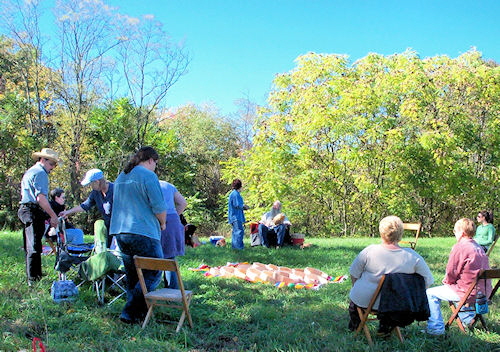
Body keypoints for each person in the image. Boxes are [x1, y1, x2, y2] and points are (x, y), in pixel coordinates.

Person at [109, 146, 166, 325]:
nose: (155, 167)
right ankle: (130, 311)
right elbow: (159, 206)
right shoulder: (148, 176)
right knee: (155, 270)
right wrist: (163, 223)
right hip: (143, 231)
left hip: (120, 231)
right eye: (155, 163)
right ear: (150, 160)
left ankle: (137, 314)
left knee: (134, 274)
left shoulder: (121, 177)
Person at [348, 215, 434, 332]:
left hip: (365, 300)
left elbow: (354, 274)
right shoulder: (413, 257)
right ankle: (386, 327)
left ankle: (355, 327)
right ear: (401, 233)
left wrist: (356, 287)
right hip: (397, 304)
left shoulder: (369, 251)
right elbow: (427, 280)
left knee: (354, 301)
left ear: (381, 232)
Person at [425, 218, 491, 336]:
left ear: (462, 232)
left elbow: (452, 271)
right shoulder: (479, 247)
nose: (454, 233)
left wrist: (447, 282)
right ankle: (467, 318)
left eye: (455, 231)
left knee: (430, 293)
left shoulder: (460, 247)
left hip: (468, 293)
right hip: (483, 293)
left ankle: (436, 328)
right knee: (460, 286)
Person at [18, 148, 61, 286]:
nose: (52, 168)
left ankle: (35, 275)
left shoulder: (31, 171)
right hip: (32, 210)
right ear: (43, 160)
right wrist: (53, 215)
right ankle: (33, 280)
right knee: (34, 246)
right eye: (51, 164)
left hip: (26, 209)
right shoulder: (40, 173)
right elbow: (40, 198)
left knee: (30, 245)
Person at [60, 168, 114, 248]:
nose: (90, 187)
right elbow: (85, 206)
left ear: (97, 182)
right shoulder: (95, 193)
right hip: (108, 228)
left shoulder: (116, 190)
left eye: (91, 184)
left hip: (120, 229)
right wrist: (67, 212)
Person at [159, 180, 187, 289]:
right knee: (169, 257)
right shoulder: (168, 185)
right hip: (172, 221)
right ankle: (171, 290)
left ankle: (149, 289)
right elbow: (183, 203)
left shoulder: (146, 184)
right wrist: (174, 214)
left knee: (153, 256)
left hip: (155, 220)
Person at [227, 179, 249, 250]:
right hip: (236, 216)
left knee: (235, 232)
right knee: (239, 232)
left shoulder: (233, 193)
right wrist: (245, 207)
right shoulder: (235, 194)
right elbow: (237, 205)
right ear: (240, 186)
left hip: (234, 216)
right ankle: (238, 248)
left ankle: (235, 247)